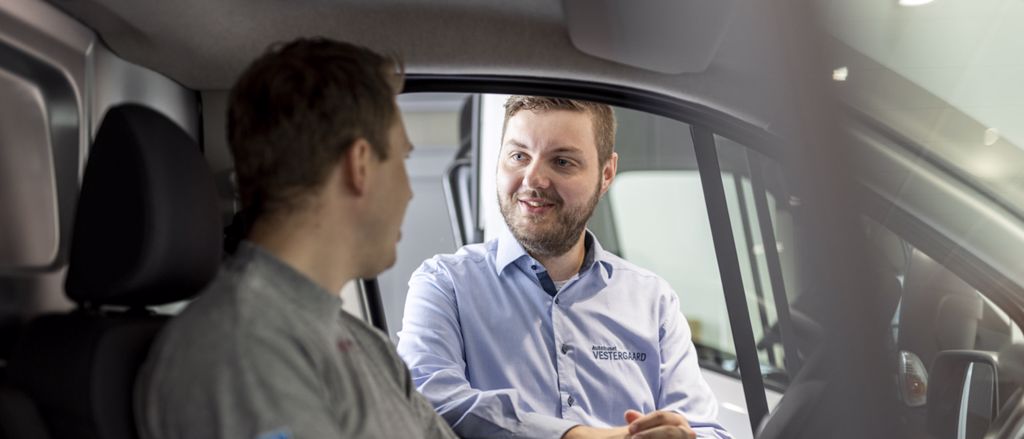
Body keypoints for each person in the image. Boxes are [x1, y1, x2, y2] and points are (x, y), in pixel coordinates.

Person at [136, 38, 457, 439]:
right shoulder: (240, 348)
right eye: (402, 159)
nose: (409, 191)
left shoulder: (363, 343)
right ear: (359, 165)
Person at [397, 96, 731, 439]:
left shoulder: (653, 301)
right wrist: (582, 437)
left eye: (561, 161)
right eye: (518, 156)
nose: (533, 179)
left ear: (606, 173)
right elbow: (428, 401)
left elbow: (706, 431)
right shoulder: (445, 284)